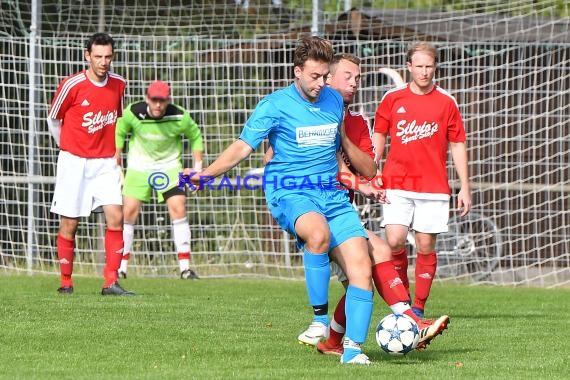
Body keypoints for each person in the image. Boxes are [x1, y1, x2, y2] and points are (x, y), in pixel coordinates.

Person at [183, 37, 374, 365]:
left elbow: (334, 148)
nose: (320, 83)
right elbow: (242, 147)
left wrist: (353, 179)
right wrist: (208, 174)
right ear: (297, 71)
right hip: (290, 192)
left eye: (324, 76)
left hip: (331, 193)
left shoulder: (333, 101)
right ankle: (318, 321)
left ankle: (352, 351)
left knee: (362, 269)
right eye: (314, 76)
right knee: (317, 234)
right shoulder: (273, 105)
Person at [275, 53, 449, 355]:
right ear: (327, 77)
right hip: (312, 212)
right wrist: (358, 185)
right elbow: (280, 164)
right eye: (348, 76)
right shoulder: (300, 115)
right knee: (372, 261)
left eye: (358, 78)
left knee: (366, 271)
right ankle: (408, 319)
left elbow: (368, 167)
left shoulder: (356, 122)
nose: (354, 83)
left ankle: (332, 341)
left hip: (341, 212)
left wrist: (344, 141)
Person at [373, 41, 472, 318]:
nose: (424, 72)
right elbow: (379, 133)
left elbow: (458, 143)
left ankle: (418, 305)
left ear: (435, 67)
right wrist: (373, 168)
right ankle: (402, 301)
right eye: (419, 66)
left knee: (426, 245)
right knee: (394, 240)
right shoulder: (393, 99)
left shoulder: (446, 102)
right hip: (397, 182)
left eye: (429, 66)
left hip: (433, 185)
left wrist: (465, 186)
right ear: (409, 67)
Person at [47, 32, 134, 296]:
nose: (103, 62)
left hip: (105, 162)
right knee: (70, 223)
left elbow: (116, 118)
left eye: (108, 56)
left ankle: (111, 282)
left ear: (113, 56)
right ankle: (66, 282)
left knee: (117, 217)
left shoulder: (119, 84)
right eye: (98, 56)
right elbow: (53, 118)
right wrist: (67, 147)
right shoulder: (72, 85)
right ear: (88, 56)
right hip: (74, 161)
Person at [115, 80, 204, 280]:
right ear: (147, 98)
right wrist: (116, 163)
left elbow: (196, 136)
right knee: (127, 213)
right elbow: (119, 132)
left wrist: (198, 169)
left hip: (169, 168)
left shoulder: (179, 116)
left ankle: (185, 269)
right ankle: (120, 269)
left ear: (168, 100)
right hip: (139, 168)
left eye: (162, 101)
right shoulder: (133, 112)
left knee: (179, 207)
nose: (158, 105)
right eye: (154, 100)